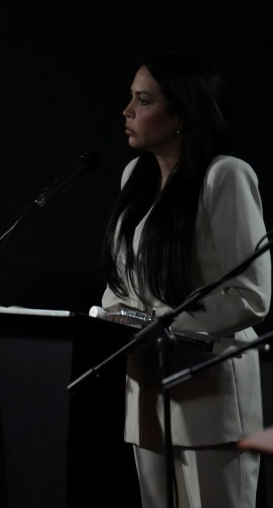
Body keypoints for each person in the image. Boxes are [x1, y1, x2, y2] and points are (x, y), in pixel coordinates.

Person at [99, 50, 271, 507]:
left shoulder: (225, 176)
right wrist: (114, 312)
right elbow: (122, 278)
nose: (128, 112)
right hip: (147, 387)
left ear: (181, 115)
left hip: (210, 389)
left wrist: (165, 324)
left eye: (143, 101)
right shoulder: (133, 176)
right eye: (131, 100)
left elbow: (251, 295)